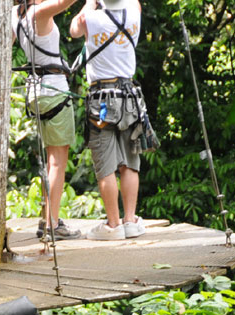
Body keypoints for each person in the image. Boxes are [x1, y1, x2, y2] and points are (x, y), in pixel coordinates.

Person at [70, 0, 149, 241]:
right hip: (130, 97)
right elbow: (135, 4)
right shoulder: (134, 13)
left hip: (101, 100)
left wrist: (89, 3)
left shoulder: (92, 19)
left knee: (106, 166)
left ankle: (113, 225)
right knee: (130, 162)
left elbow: (74, 30)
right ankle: (130, 221)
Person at [11, 0, 81, 240]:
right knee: (57, 162)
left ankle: (47, 218)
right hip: (54, 92)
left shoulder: (14, 15)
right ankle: (51, 224)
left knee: (52, 160)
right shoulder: (39, 13)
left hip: (35, 93)